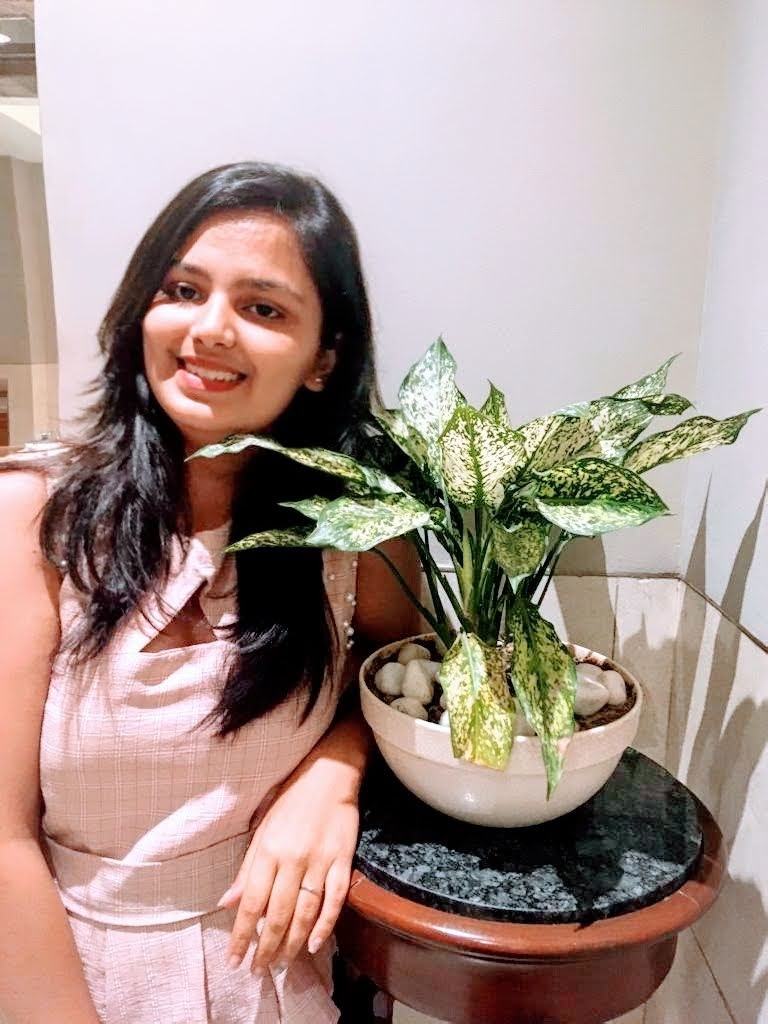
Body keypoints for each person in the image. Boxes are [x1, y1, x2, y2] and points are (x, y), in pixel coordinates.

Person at [0, 162, 421, 1023]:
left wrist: (333, 773)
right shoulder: (35, 516)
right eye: (183, 290)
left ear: (322, 359)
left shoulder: (357, 526)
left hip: (276, 986)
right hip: (67, 973)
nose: (209, 329)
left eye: (263, 309)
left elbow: (399, 676)